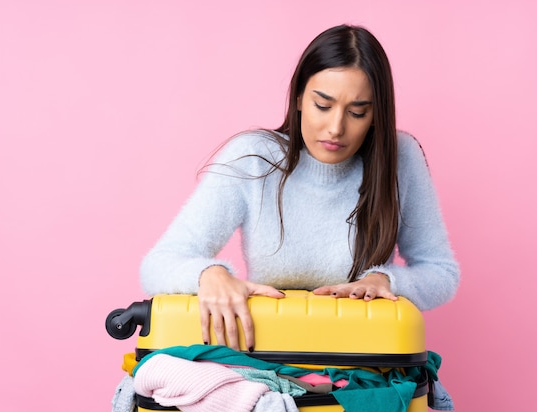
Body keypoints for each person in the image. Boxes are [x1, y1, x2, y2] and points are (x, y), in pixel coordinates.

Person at [139, 24, 460, 353]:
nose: (336, 128)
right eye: (323, 105)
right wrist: (210, 274)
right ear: (298, 98)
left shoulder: (399, 157)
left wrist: (386, 281)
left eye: (357, 112)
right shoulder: (254, 157)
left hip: (361, 357)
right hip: (264, 354)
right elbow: (157, 264)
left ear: (376, 114)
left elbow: (441, 273)